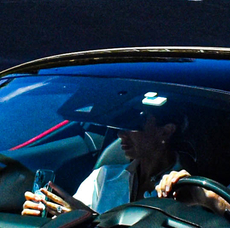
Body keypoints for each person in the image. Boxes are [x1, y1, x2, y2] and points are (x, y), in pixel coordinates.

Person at [21, 92, 190, 218]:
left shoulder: (186, 187)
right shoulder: (103, 177)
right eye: (121, 125)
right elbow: (68, 220)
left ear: (166, 131)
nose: (121, 134)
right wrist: (46, 213)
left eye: (133, 124)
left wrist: (86, 219)